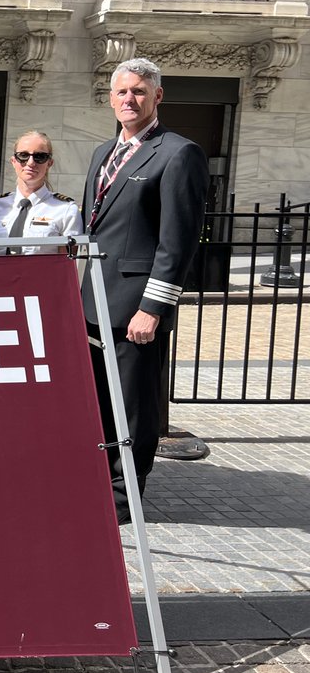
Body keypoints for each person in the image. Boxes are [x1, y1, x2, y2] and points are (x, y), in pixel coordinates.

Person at [81, 57, 209, 523]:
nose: (129, 100)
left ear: (157, 97)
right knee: (98, 403)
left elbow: (177, 243)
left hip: (136, 310)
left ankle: (123, 498)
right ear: (110, 98)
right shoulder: (102, 154)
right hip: (93, 302)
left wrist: (153, 308)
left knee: (134, 408)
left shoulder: (178, 153)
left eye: (138, 91)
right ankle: (97, 480)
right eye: (121, 92)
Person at [0, 130, 82, 254]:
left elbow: (67, 266)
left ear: (49, 163)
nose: (30, 163)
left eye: (39, 156)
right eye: (23, 155)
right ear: (13, 161)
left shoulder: (65, 210)